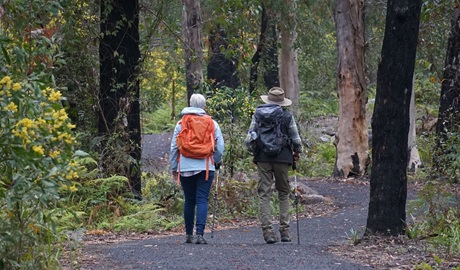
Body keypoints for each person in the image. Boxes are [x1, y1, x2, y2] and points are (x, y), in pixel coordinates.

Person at [245, 87, 302, 244]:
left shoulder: (258, 115)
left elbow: (249, 139)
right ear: (283, 102)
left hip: (263, 157)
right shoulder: (287, 116)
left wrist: (254, 152)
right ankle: (285, 231)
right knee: (283, 192)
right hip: (283, 157)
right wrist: (297, 152)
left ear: (268, 100)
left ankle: (268, 232)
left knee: (264, 193)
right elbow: (296, 139)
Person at [170, 93, 225, 244]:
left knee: (189, 200)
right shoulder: (212, 123)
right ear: (204, 106)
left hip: (185, 167)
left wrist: (174, 167)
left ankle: (188, 234)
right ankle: (199, 234)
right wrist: (216, 161)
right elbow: (219, 147)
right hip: (206, 166)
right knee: (202, 199)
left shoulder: (181, 123)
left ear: (190, 104)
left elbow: (174, 147)